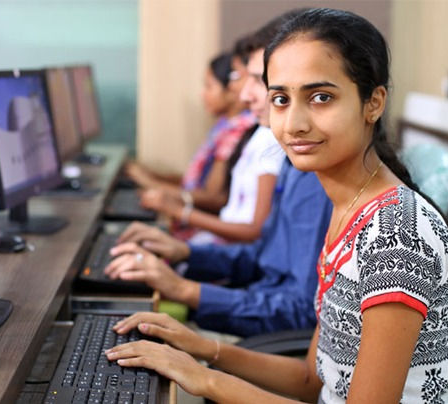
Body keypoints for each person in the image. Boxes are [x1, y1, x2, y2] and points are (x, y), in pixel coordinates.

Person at [105, 8, 448, 403]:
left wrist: (206, 380)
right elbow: (314, 381)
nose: (294, 123)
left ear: (373, 103)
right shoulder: (350, 209)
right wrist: (203, 350)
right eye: (280, 98)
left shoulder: (396, 237)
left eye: (320, 97)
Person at [106, 10, 332, 337]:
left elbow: (301, 309)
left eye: (258, 80)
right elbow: (266, 258)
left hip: (275, 328)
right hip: (261, 302)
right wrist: (185, 253)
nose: (246, 95)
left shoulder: (315, 178)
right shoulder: (294, 164)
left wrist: (186, 292)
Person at [140, 34, 286, 244]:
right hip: (226, 246)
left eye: (247, 78)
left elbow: (221, 201)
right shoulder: (256, 132)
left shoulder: (263, 137)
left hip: (231, 250)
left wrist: (180, 208)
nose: (242, 91)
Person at [125, 51, 256, 214]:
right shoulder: (225, 124)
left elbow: (213, 197)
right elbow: (194, 183)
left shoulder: (237, 130)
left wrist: (149, 182)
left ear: (230, 91)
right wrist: (151, 176)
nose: (202, 94)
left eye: (209, 86)